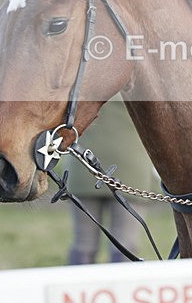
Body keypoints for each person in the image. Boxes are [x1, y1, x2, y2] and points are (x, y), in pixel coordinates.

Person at [64, 97, 159, 264]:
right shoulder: (135, 82)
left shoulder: (83, 81)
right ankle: (121, 289)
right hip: (131, 171)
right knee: (125, 245)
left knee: (83, 244)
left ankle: (80, 288)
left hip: (84, 167)